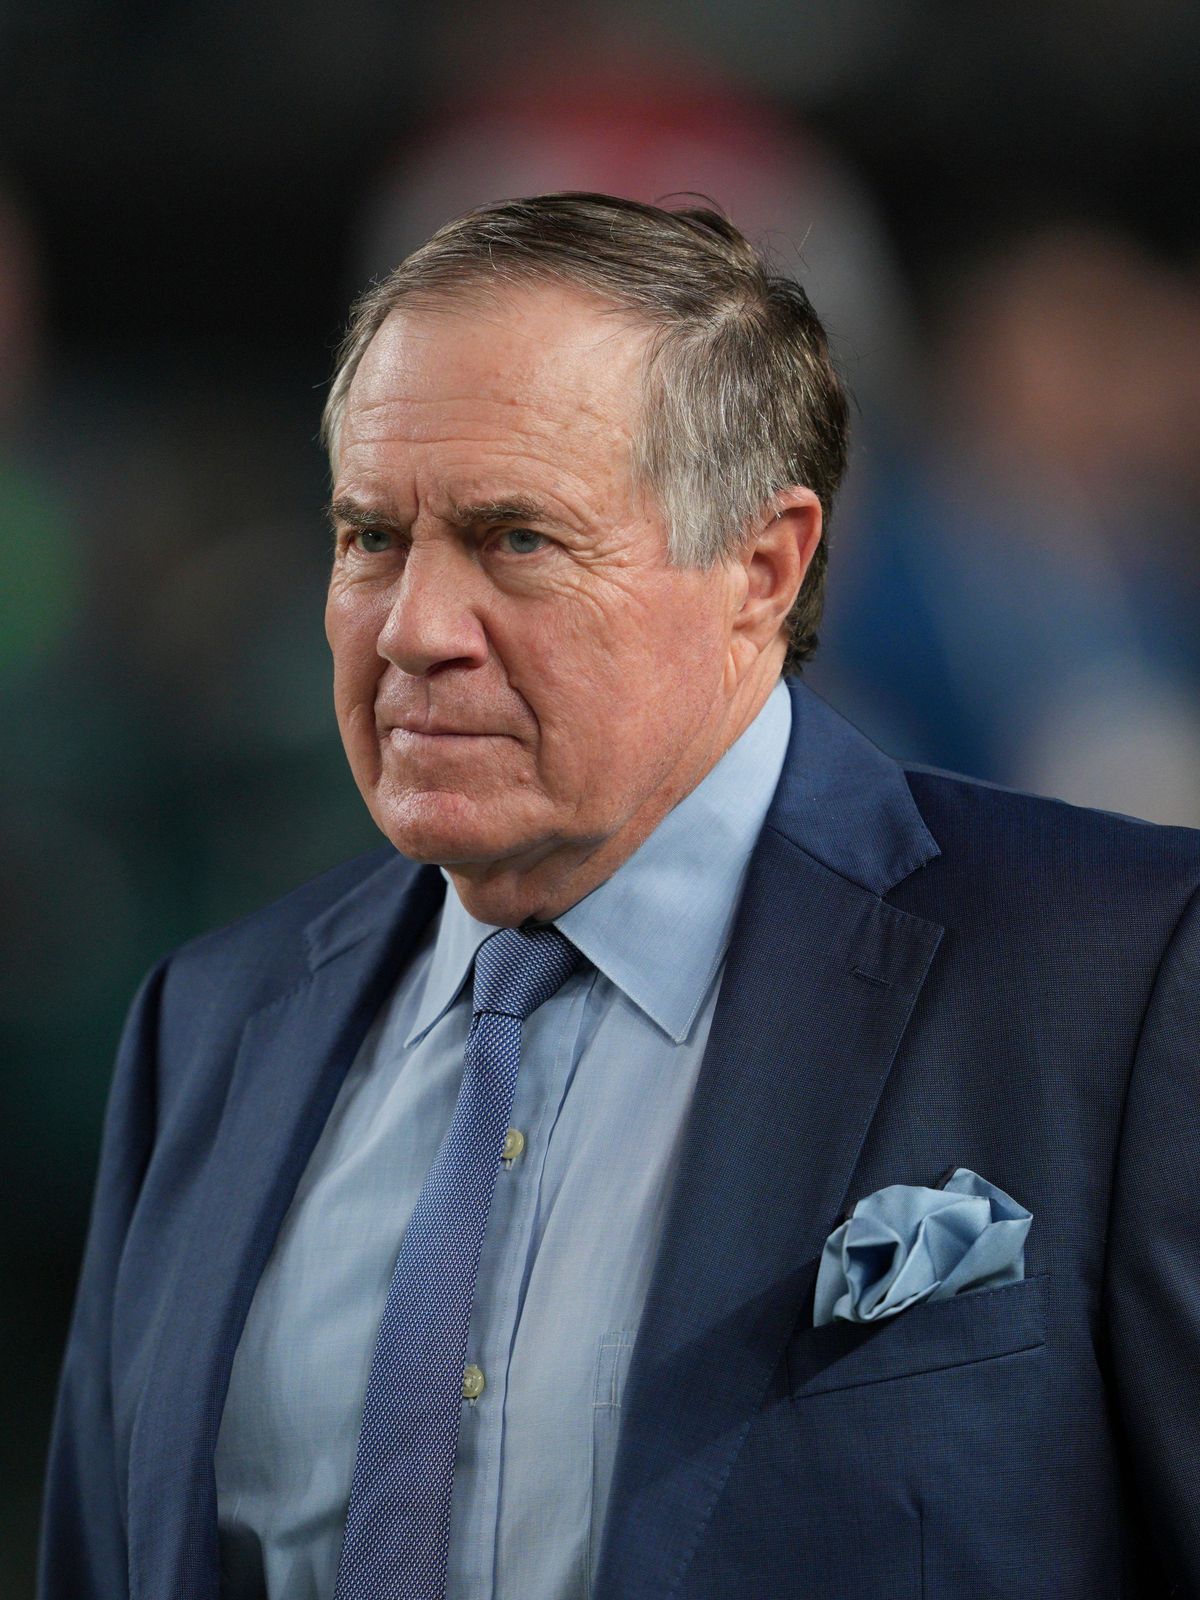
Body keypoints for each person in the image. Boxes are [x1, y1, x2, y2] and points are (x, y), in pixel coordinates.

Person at [40, 194, 1200, 1600]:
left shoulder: (1117, 973)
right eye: (369, 538)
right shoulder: (208, 1023)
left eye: (516, 539)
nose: (414, 629)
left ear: (761, 568)